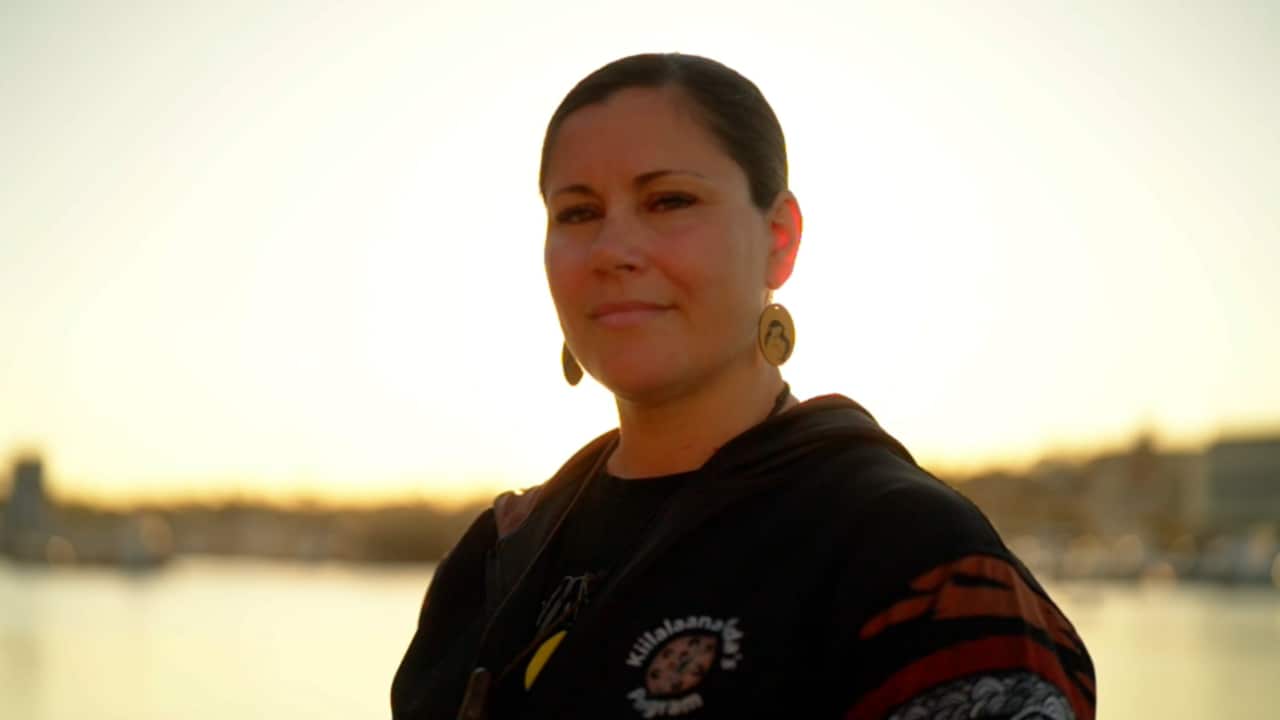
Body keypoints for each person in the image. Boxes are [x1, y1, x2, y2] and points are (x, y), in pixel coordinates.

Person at [391, 52, 1095, 720]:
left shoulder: (905, 557)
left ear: (780, 238)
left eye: (668, 201)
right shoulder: (499, 556)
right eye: (577, 212)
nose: (613, 250)